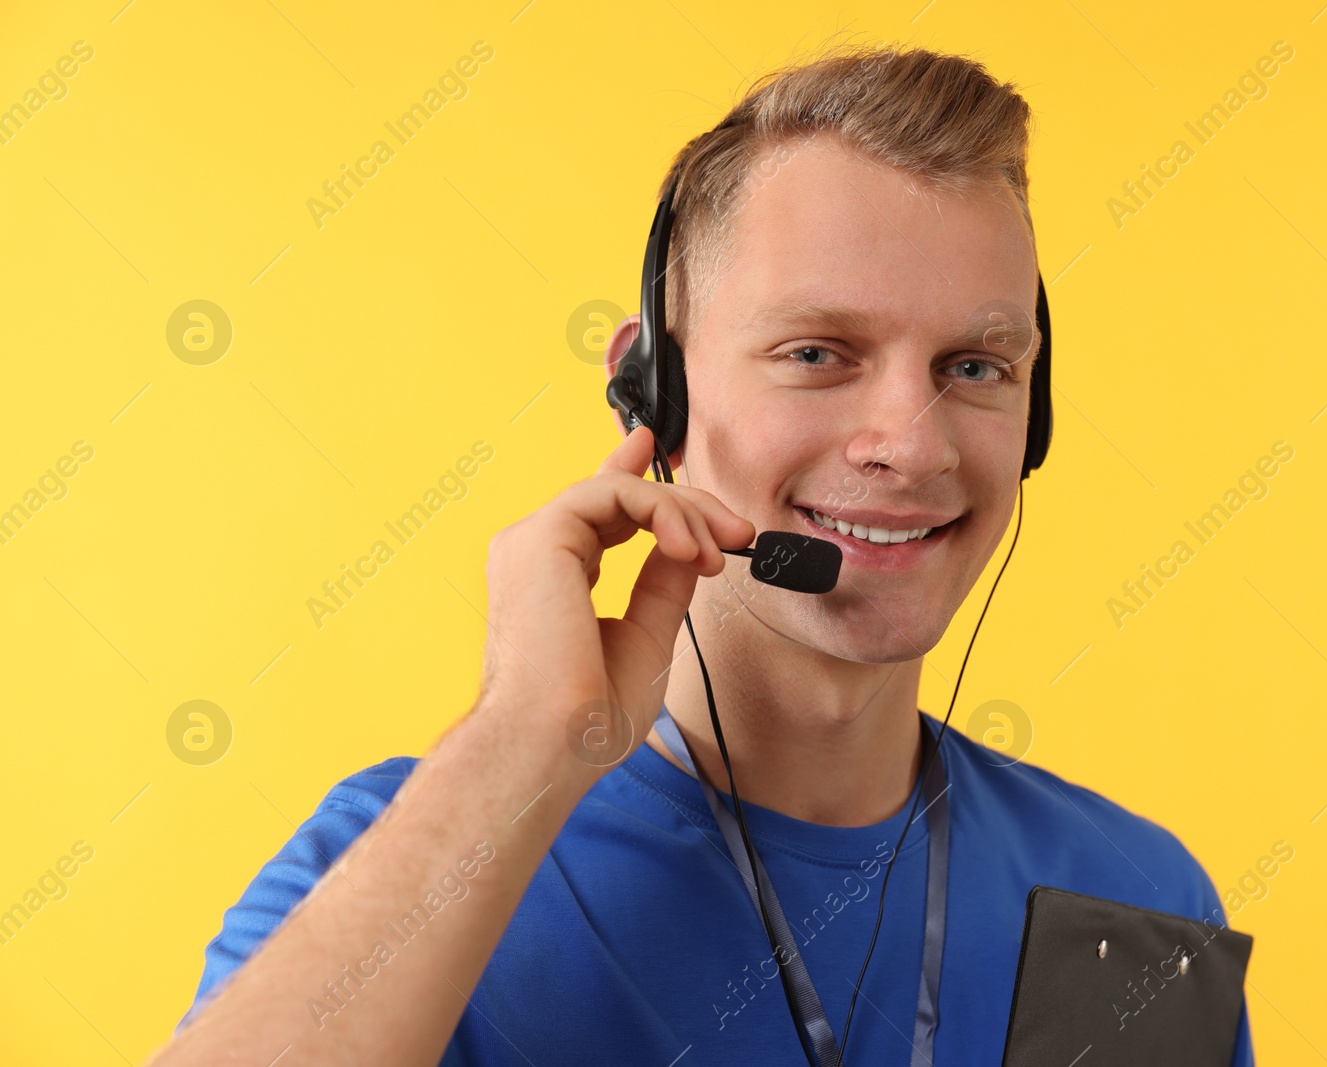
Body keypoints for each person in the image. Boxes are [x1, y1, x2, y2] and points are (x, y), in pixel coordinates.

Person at [147, 43, 1254, 1066]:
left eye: (974, 365)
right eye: (817, 351)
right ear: (654, 389)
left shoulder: (1136, 896)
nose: (909, 445)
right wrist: (524, 738)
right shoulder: (410, 861)